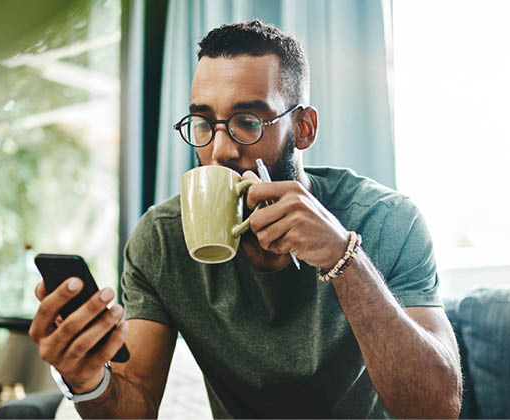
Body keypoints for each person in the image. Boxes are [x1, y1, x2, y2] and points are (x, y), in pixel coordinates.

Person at [29, 20, 462, 418]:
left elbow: (437, 408)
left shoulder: (388, 221)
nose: (220, 151)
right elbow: (136, 402)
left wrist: (342, 257)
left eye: (248, 121)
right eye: (203, 122)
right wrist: (86, 381)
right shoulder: (161, 240)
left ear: (304, 128)